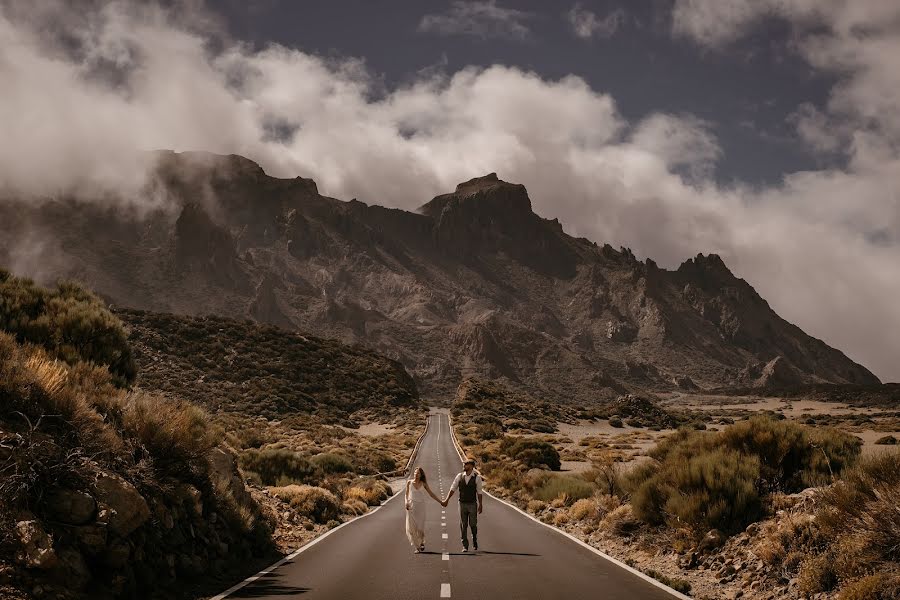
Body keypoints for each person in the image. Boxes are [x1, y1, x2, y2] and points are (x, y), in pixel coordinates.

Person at [442, 458, 483, 552]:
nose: (464, 466)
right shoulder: (459, 476)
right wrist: (447, 499)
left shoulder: (477, 477)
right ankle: (465, 545)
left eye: (466, 464)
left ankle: (474, 539)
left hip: (472, 504)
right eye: (464, 464)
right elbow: (453, 488)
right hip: (462, 503)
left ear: (472, 466)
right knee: (463, 525)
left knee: (473, 524)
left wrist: (480, 504)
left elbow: (479, 492)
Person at [405, 467, 442, 553]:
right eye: (415, 473)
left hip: (421, 507)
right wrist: (406, 502)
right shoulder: (409, 482)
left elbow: (431, 494)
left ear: (421, 475)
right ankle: (417, 547)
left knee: (420, 528)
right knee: (412, 528)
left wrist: (440, 501)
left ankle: (421, 542)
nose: (416, 474)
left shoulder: (423, 483)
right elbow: (406, 494)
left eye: (418, 473)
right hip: (411, 507)